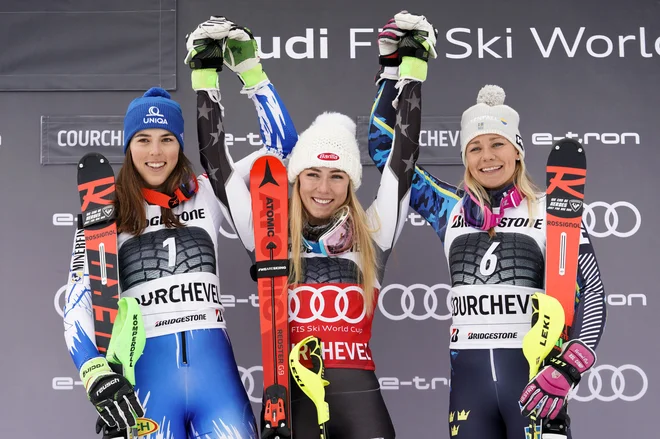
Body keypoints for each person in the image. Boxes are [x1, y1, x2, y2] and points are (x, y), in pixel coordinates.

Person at [185, 13, 432, 439]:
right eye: (312, 175)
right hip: (290, 403)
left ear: (350, 185)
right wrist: (206, 76)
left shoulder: (372, 234)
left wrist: (411, 73)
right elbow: (218, 167)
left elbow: (401, 165)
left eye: (337, 177)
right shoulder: (269, 232)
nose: (323, 188)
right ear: (295, 180)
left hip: (362, 405)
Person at [369, 16, 607, 439]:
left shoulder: (552, 208)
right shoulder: (449, 208)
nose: (486, 157)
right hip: (469, 387)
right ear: (465, 158)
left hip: (535, 382)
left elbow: (589, 288)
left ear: (517, 151)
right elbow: (387, 150)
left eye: (497, 143)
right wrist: (396, 70)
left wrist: (572, 364)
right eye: (474, 148)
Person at [62, 16, 298, 439]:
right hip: (149, 385)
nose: (156, 152)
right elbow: (78, 299)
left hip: (217, 383)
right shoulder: (104, 211)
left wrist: (251, 72)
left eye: (167, 139)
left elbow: (280, 152)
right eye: (143, 139)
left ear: (181, 144)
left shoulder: (208, 190)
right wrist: (94, 371)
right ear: (128, 146)